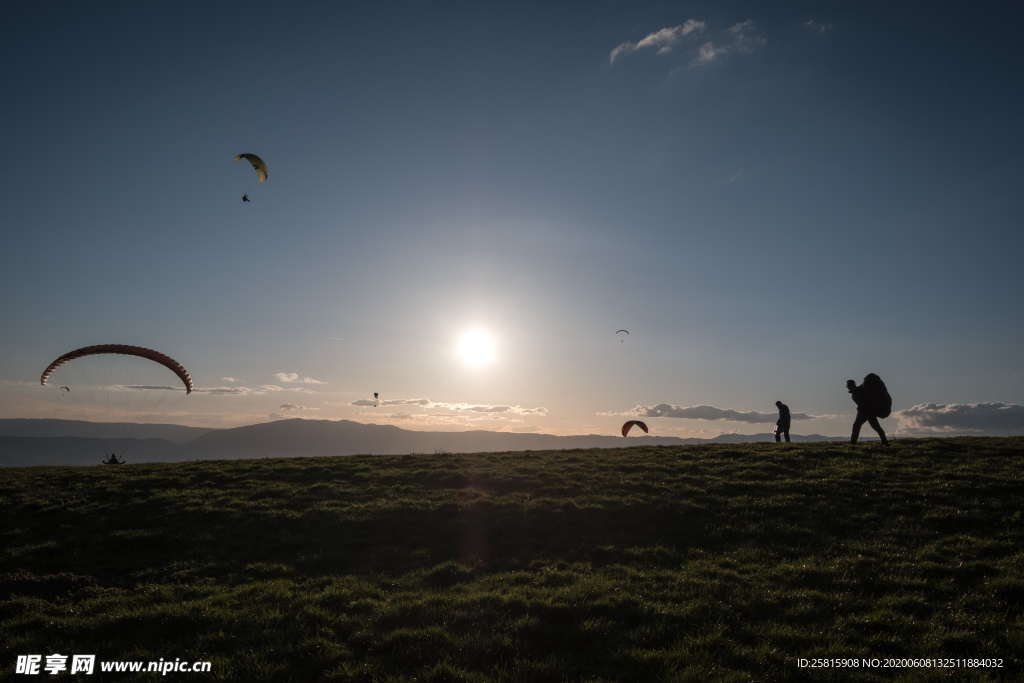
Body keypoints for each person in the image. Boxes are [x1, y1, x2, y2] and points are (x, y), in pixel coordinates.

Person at [847, 379, 888, 445]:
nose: (847, 386)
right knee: (874, 426)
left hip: (866, 412)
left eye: (848, 385)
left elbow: (864, 401)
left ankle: (853, 442)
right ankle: (885, 441)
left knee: (873, 426)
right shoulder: (855, 391)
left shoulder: (859, 390)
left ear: (852, 385)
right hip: (864, 412)